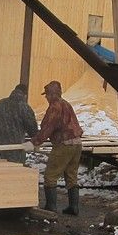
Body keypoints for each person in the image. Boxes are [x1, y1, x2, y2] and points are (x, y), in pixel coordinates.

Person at [32, 80, 83, 214]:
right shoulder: (66, 104)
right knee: (71, 176)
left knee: (50, 176)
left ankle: (51, 207)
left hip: (63, 144)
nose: (46, 98)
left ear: (51, 94)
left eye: (47, 95)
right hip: (77, 144)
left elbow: (48, 127)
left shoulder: (55, 107)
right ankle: (74, 207)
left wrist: (35, 142)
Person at [0, 83, 38, 164]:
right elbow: (31, 126)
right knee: (15, 166)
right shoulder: (24, 107)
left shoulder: (0, 104)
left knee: (4, 163)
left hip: (1, 143)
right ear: (25, 95)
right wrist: (36, 138)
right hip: (16, 144)